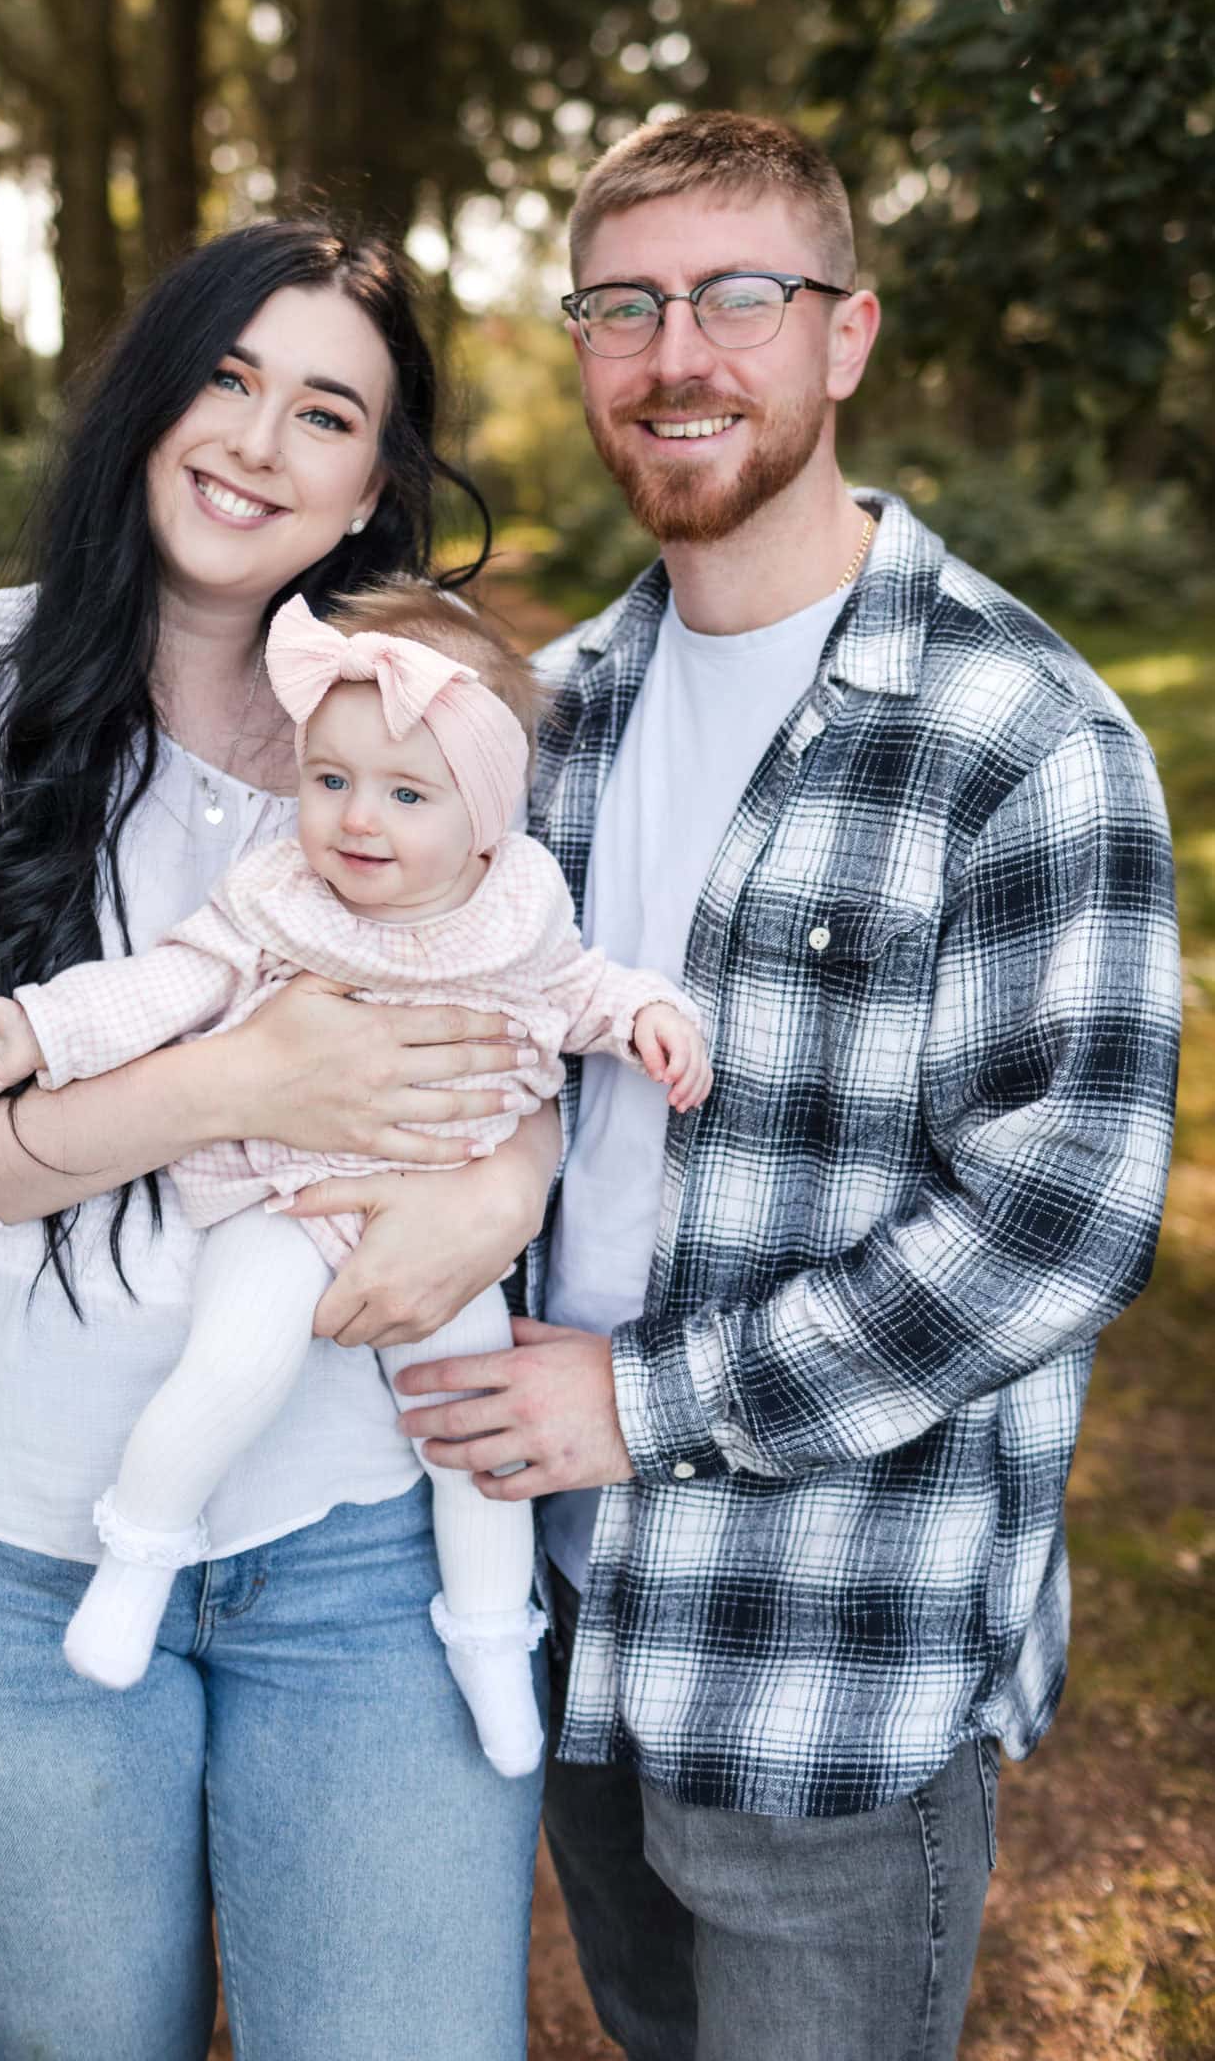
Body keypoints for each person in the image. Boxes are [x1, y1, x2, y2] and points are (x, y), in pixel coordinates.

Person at [392, 110, 1181, 2061]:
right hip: (562, 1609)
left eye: (743, 295)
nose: (679, 353)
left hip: (829, 1656)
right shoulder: (540, 719)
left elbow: (1053, 1217)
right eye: (625, 304)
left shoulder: (1020, 734)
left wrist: (642, 1396)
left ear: (846, 336)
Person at [0, 220, 563, 2061]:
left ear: (377, 477)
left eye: (325, 411)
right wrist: (224, 1085)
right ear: (147, 396)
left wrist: (504, 1183)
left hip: (361, 1539)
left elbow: (537, 1010)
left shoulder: (439, 721)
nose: (255, 442)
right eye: (224, 378)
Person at [0, 578, 709, 1777]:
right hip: (282, 1199)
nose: (357, 819)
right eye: (331, 780)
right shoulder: (277, 903)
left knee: (481, 1430)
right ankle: (139, 1557)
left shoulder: (520, 907)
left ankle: (494, 1643)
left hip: (438, 1216)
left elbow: (582, 991)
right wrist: (36, 1032)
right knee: (233, 1361)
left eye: (406, 794)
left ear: (485, 820)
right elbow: (160, 988)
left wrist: (653, 1015)